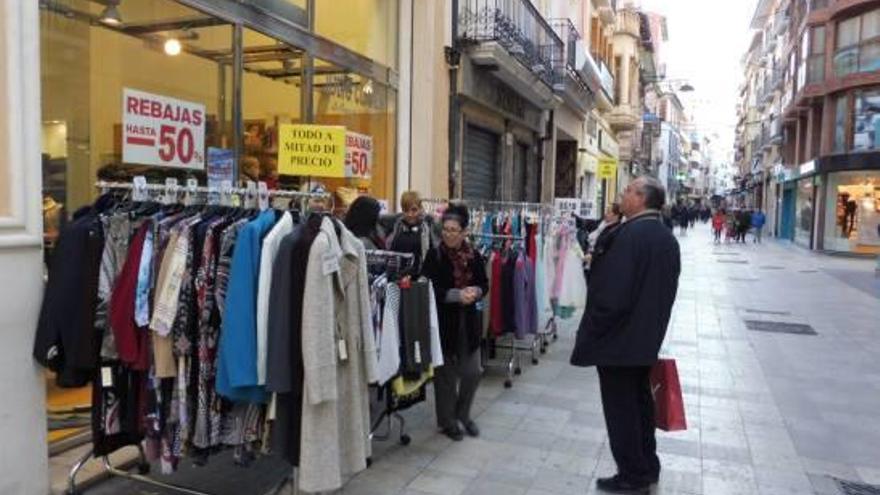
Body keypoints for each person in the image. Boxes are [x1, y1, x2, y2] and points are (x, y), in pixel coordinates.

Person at [570, 176, 681, 494]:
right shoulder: (664, 237)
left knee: (622, 410)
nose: (623, 193)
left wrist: (594, 329)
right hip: (645, 339)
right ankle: (646, 465)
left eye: (630, 190)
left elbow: (612, 295)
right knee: (640, 405)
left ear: (643, 198)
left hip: (619, 341)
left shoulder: (629, 236)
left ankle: (632, 474)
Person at [422, 203, 489, 441]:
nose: (449, 234)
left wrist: (475, 292)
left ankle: (463, 414)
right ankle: (447, 421)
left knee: (473, 372)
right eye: (446, 229)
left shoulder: (474, 256)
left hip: (468, 322)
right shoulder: (434, 256)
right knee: (446, 377)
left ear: (464, 232)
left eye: (454, 230)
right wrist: (455, 295)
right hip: (443, 323)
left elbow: (484, 283)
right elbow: (429, 287)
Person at [385, 191, 439, 274]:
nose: (410, 214)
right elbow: (390, 253)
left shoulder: (427, 226)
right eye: (406, 210)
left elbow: (433, 253)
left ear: (420, 208)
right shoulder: (397, 226)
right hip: (398, 276)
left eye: (414, 210)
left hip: (422, 276)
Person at [585, 203, 623, 273]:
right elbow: (589, 224)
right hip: (590, 262)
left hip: (599, 268)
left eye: (608, 212)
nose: (605, 214)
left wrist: (592, 256)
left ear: (616, 216)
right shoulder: (603, 224)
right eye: (606, 211)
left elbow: (605, 250)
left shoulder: (616, 231)